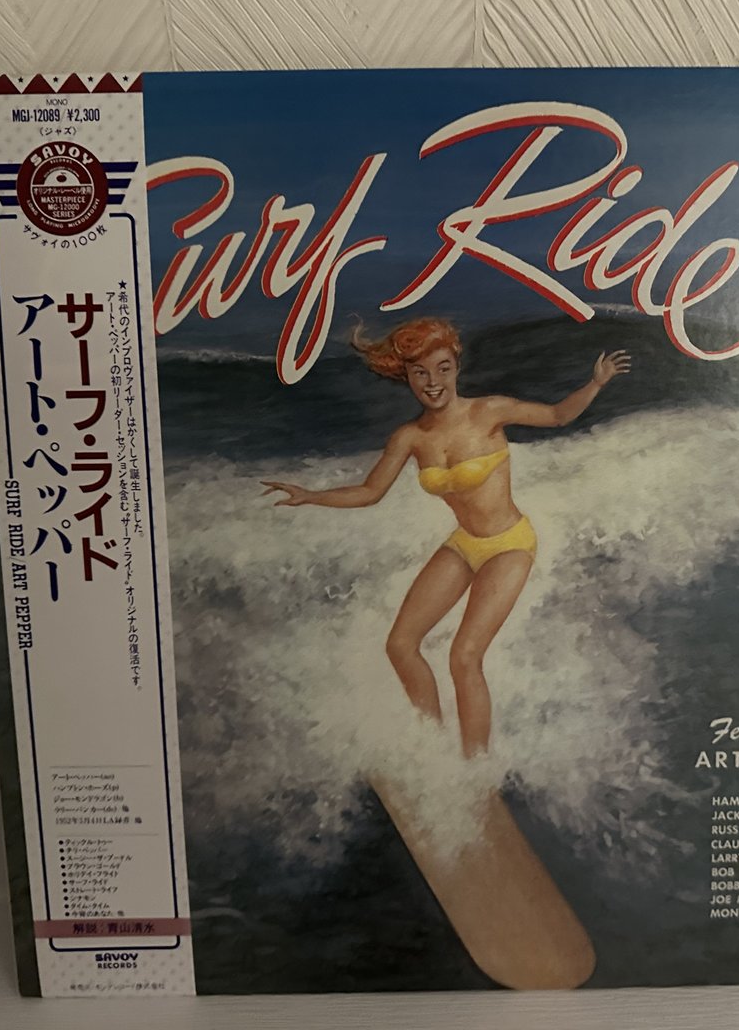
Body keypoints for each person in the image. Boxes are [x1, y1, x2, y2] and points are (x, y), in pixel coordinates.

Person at [262, 317, 629, 758]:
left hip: (509, 544)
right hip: (464, 543)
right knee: (400, 645)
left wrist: (596, 382)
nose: (432, 382)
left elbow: (556, 415)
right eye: (420, 372)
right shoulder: (410, 437)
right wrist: (310, 496)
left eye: (442, 368)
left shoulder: (489, 412)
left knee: (464, 656)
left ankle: (477, 770)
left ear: (456, 367)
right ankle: (433, 753)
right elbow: (370, 492)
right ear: (407, 376)